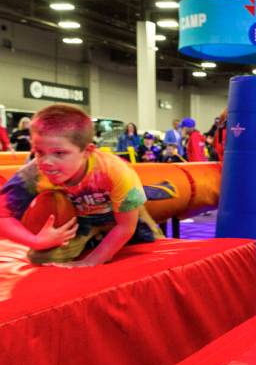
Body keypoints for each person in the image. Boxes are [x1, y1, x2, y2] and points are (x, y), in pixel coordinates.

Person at [0, 104, 162, 266]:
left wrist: (91, 261)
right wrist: (36, 241)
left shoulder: (114, 170)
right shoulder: (34, 173)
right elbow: (2, 214)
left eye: (59, 153)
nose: (46, 162)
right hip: (83, 220)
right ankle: (94, 239)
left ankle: (149, 194)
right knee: (39, 257)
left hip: (119, 212)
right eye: (39, 152)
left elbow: (126, 226)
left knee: (155, 249)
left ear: (86, 152)